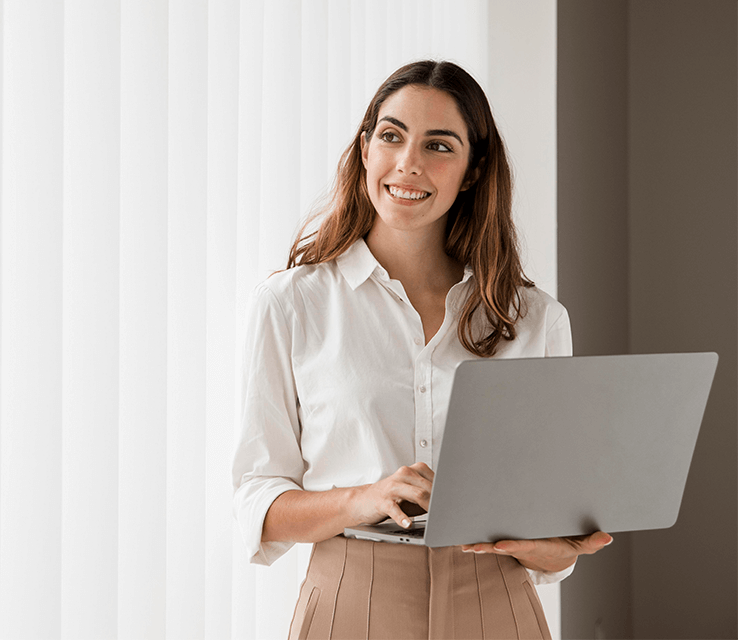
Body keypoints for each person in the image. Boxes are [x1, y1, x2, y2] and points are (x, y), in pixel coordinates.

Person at [232, 60, 612, 639]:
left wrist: (556, 546)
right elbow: (259, 500)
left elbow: (556, 559)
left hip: (496, 596)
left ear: (472, 170)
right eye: (391, 135)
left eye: (439, 145)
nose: (408, 162)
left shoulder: (533, 319)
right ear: (365, 149)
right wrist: (368, 497)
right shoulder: (292, 304)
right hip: (350, 597)